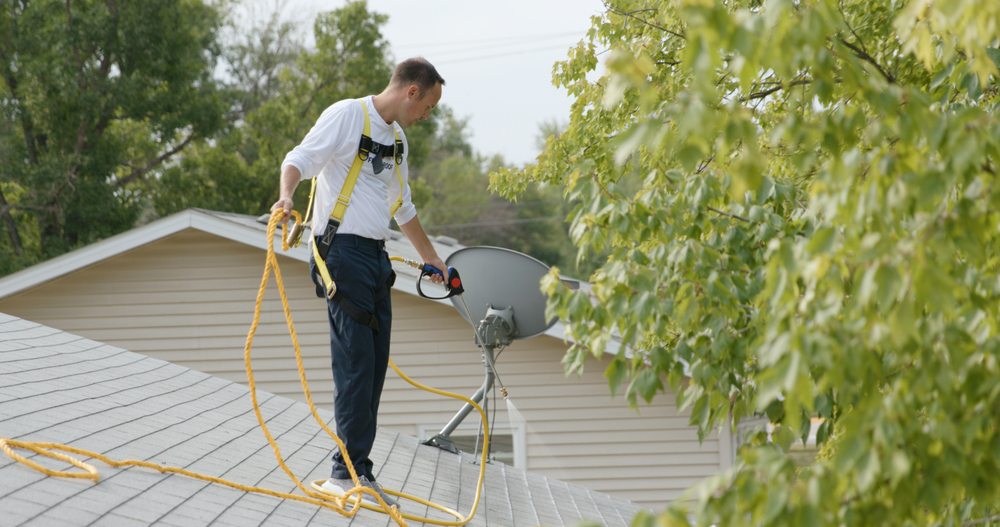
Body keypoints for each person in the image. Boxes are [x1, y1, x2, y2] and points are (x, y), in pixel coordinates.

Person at [270, 57, 448, 508]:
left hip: (374, 257)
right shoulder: (348, 115)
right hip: (341, 252)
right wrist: (287, 196)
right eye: (428, 106)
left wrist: (432, 259)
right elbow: (298, 159)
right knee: (356, 364)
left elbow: (402, 206)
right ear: (411, 91)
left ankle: (358, 469)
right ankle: (343, 474)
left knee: (374, 366)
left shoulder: (398, 141)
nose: (427, 115)